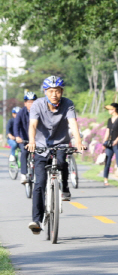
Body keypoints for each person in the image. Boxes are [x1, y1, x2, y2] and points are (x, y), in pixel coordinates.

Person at [26, 76, 84, 234]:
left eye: (57, 91)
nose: (54, 94)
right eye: (51, 91)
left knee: (61, 163)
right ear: (45, 91)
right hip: (40, 146)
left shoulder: (68, 104)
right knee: (39, 183)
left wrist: (78, 141)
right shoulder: (37, 105)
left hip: (61, 143)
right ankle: (36, 220)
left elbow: (73, 123)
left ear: (61, 91)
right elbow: (32, 124)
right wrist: (32, 141)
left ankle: (64, 188)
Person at [15, 92, 38, 183]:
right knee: (24, 152)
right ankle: (23, 174)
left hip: (37, 139)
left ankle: (39, 174)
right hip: (24, 138)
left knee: (41, 154)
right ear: (25, 103)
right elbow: (16, 125)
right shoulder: (21, 113)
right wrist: (17, 136)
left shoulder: (39, 111)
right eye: (29, 102)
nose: (31, 104)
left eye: (33, 102)